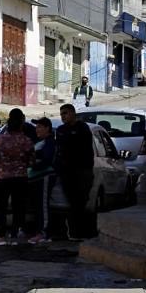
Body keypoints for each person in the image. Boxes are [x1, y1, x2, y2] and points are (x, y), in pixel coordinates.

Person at [0, 109, 34, 246]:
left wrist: (2, 165)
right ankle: (15, 234)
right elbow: (32, 161)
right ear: (22, 123)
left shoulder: (0, 140)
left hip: (3, 177)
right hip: (21, 178)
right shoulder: (26, 141)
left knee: (2, 206)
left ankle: (1, 236)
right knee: (18, 206)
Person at [53, 103, 96, 240]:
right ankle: (73, 232)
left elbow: (82, 149)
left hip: (82, 171)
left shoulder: (83, 128)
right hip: (66, 172)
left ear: (72, 113)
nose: (63, 117)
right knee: (71, 203)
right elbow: (60, 148)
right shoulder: (60, 130)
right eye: (61, 114)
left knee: (81, 202)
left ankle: (82, 232)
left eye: (65, 113)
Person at [26, 117, 56, 245]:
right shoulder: (40, 142)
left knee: (43, 206)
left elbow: (47, 160)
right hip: (35, 178)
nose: (37, 129)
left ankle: (44, 233)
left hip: (44, 176)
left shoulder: (49, 143)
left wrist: (33, 164)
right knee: (38, 206)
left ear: (47, 128)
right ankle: (38, 231)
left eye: (39, 127)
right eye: (36, 127)